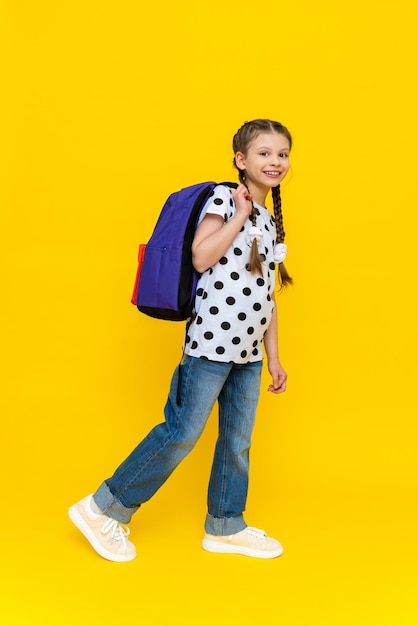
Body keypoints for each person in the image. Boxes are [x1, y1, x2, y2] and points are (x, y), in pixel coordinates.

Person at [69, 118, 293, 562]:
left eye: (282, 154)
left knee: (237, 440)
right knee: (181, 432)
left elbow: (266, 295)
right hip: (211, 345)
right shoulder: (225, 200)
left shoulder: (269, 221)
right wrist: (241, 215)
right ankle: (103, 507)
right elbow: (201, 254)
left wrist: (273, 357)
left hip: (247, 353)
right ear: (240, 159)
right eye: (264, 153)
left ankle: (226, 525)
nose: (275, 161)